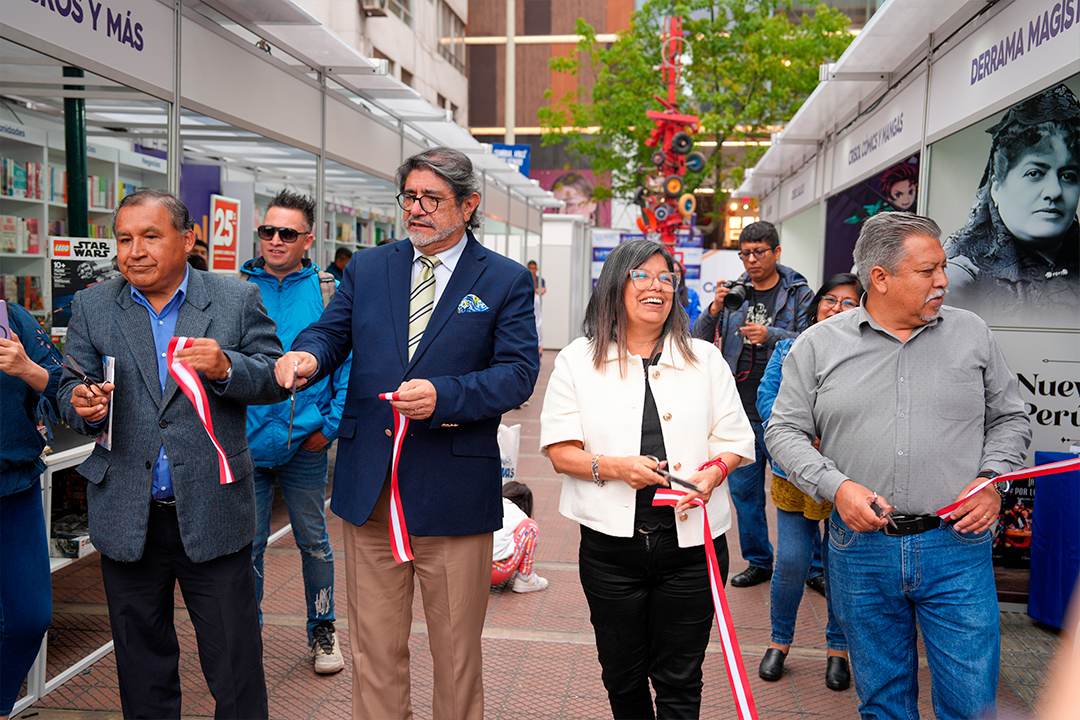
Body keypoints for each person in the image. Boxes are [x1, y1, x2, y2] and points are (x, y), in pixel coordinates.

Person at [275, 147, 539, 720]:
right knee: (374, 651)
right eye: (410, 197)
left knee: (455, 654)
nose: (416, 210)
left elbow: (518, 375)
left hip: (452, 496)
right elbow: (330, 333)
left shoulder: (504, 280)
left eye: (432, 199)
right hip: (370, 494)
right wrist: (308, 359)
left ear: (468, 206)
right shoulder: (369, 269)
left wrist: (446, 396)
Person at [765, 212, 1032, 720]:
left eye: (942, 268)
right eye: (928, 270)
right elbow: (783, 431)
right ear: (881, 278)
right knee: (884, 704)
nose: (943, 281)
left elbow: (1011, 418)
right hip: (861, 549)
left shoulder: (971, 334)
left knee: (972, 705)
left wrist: (991, 478)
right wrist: (834, 487)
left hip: (957, 545)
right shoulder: (818, 345)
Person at [59, 189, 287, 720]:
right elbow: (69, 388)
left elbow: (273, 377)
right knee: (142, 668)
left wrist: (228, 366)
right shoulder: (95, 305)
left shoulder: (234, 299)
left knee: (234, 666)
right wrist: (83, 405)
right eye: (124, 239)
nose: (134, 251)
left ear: (186, 240)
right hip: (127, 515)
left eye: (150, 236)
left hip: (213, 512)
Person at [540, 239, 755, 720]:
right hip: (611, 550)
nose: (656, 286)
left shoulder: (704, 357)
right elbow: (559, 452)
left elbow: (735, 440)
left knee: (681, 679)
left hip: (693, 549)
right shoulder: (579, 359)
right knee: (623, 675)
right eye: (643, 275)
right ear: (616, 284)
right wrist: (618, 468)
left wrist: (714, 472)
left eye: (666, 278)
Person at [242, 190, 350, 674]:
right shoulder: (234, 289)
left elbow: (350, 363)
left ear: (308, 239)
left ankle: (322, 630)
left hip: (306, 442)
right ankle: (247, 632)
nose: (276, 240)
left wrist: (329, 427)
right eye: (268, 231)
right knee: (248, 546)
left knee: (313, 541)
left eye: (287, 232)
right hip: (245, 445)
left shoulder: (330, 291)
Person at [691, 220, 814, 587]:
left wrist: (770, 334)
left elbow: (813, 339)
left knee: (799, 491)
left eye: (759, 252)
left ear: (777, 252)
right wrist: (714, 309)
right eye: (745, 253)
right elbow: (697, 339)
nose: (751, 260)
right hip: (738, 409)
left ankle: (814, 567)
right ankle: (759, 561)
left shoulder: (798, 294)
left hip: (785, 409)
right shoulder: (736, 293)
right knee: (744, 494)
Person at [755, 273, 862, 690]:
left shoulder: (869, 351)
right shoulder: (789, 347)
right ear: (817, 305)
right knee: (792, 563)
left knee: (840, 567)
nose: (836, 309)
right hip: (795, 473)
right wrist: (802, 434)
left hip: (847, 476)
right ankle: (779, 642)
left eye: (848, 302)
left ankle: (839, 649)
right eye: (829, 300)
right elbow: (769, 400)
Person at [942, 83, 1079, 322]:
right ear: (996, 185)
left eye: (1068, 176)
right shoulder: (960, 281)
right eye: (1035, 173)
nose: (1055, 191)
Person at [0, 303, 62, 720]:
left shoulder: (13, 317)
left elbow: (65, 389)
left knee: (30, 617)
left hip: (13, 488)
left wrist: (25, 367)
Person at [491, 481, 548, 592]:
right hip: (496, 572)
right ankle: (525, 578)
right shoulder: (519, 513)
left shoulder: (491, 503)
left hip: (471, 571)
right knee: (530, 526)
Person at [673, 260, 702, 328]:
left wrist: (684, 331)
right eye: (672, 271)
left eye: (677, 271)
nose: (675, 274)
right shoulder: (661, 292)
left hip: (686, 335)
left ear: (681, 274)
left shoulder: (692, 294)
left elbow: (696, 316)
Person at [527, 259, 545, 356]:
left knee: (538, 323)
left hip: (536, 303)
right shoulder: (525, 278)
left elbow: (542, 290)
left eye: (534, 268)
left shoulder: (539, 280)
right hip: (528, 303)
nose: (532, 270)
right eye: (530, 268)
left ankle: (539, 345)